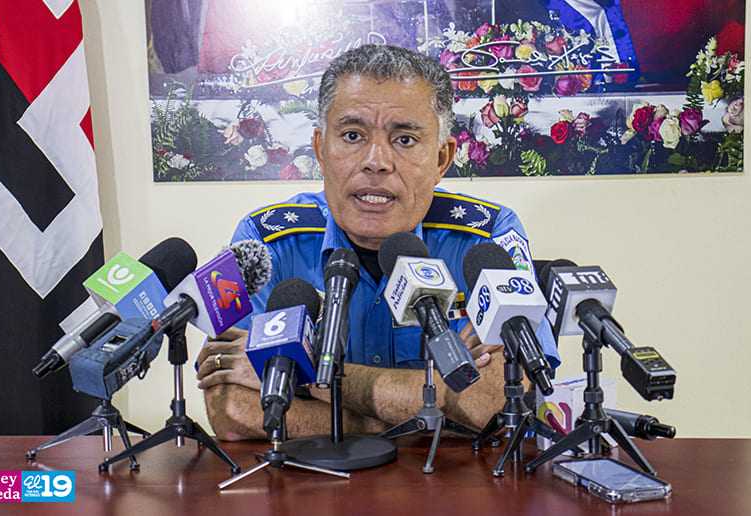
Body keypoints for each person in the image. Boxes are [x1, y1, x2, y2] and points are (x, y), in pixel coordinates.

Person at [196, 44, 559, 441]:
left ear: (442, 158)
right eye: (352, 135)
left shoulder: (490, 236)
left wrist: (304, 376)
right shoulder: (263, 240)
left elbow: (489, 401)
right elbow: (231, 406)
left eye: (405, 139)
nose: (376, 161)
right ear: (320, 149)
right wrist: (413, 418)